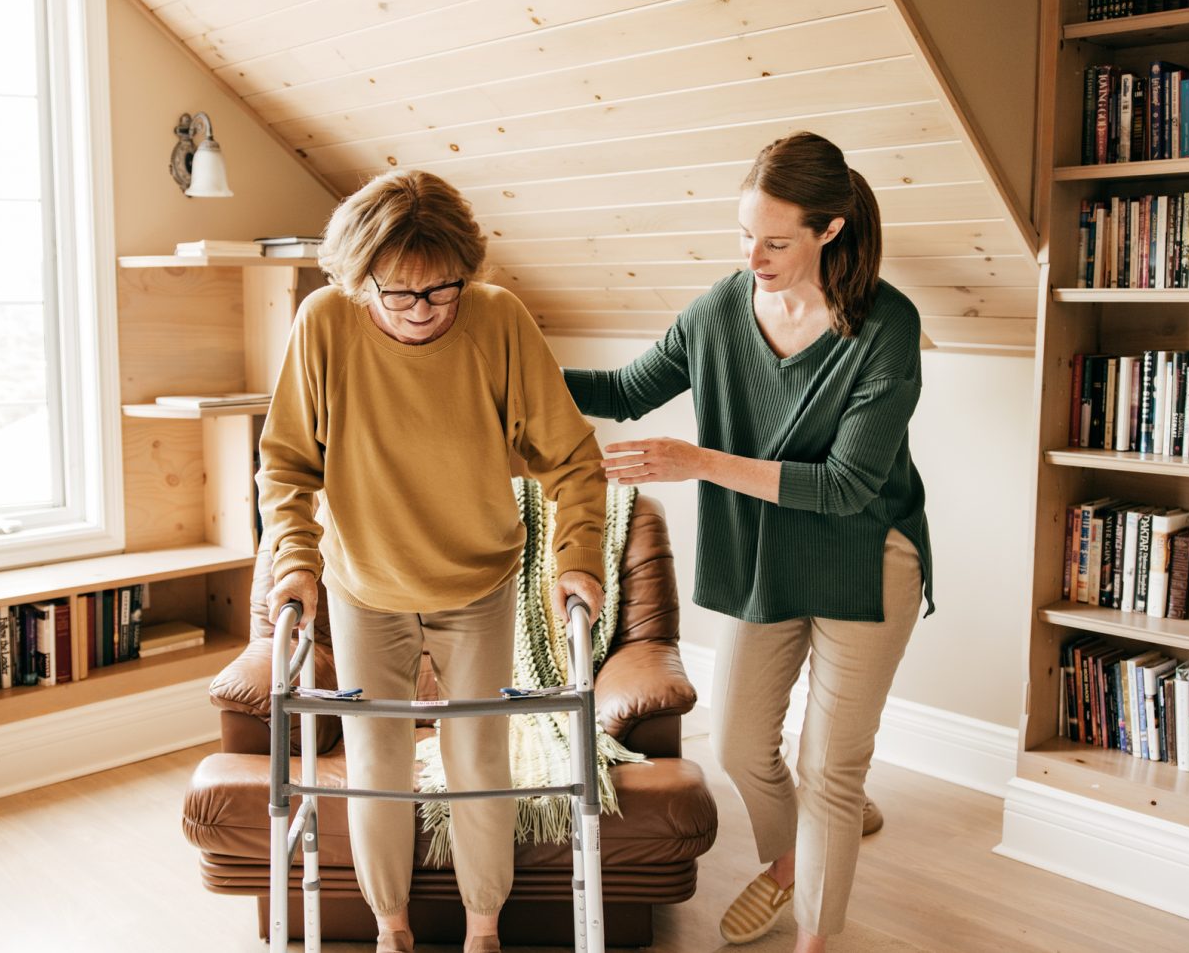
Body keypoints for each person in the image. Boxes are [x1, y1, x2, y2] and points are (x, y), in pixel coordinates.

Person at [563, 131, 933, 952]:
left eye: (775, 240)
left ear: (829, 230)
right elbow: (625, 391)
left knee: (829, 768)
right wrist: (504, 363)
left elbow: (845, 486)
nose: (752, 255)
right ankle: (792, 861)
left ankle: (812, 936)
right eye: (743, 234)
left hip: (867, 559)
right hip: (769, 559)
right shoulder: (722, 309)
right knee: (734, 737)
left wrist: (697, 461)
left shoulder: (885, 327)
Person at [256, 169, 608, 953]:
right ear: (358, 277)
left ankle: (484, 930)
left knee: (479, 754)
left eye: (441, 292)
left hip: (477, 579)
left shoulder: (497, 320)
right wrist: (294, 561)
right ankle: (392, 930)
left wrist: (577, 560)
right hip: (364, 584)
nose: (422, 311)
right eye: (400, 294)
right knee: (377, 758)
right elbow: (285, 465)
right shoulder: (323, 324)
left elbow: (574, 459)